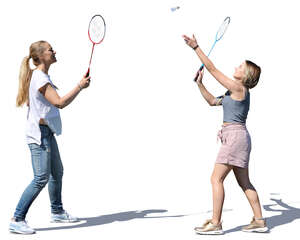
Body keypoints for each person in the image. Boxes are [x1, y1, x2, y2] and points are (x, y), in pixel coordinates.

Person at [182, 34, 268, 235]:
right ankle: (259, 220)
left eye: (240, 67)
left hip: (235, 138)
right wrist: (200, 85)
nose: (237, 67)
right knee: (244, 182)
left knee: (216, 179)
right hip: (238, 138)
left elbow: (212, 69)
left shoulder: (238, 87)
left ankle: (216, 223)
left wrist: (196, 48)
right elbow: (213, 101)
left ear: (245, 76)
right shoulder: (233, 93)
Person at [10, 40, 90, 234]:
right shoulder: (39, 78)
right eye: (50, 49)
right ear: (41, 56)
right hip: (39, 136)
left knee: (57, 172)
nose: (54, 51)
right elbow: (59, 102)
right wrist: (79, 86)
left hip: (47, 132)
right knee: (41, 177)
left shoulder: (40, 76)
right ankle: (17, 218)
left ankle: (57, 211)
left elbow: (39, 105)